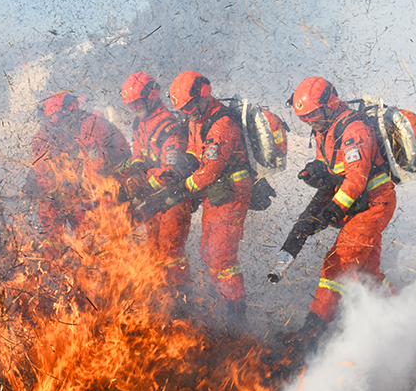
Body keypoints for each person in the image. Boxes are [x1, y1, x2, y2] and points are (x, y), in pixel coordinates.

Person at [270, 76, 398, 351]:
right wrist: (315, 170)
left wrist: (331, 211)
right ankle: (402, 317)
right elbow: (330, 164)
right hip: (357, 204)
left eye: (313, 115)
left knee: (336, 263)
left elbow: (355, 180)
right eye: (304, 118)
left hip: (373, 204)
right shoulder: (324, 129)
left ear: (330, 103)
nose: (309, 122)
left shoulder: (354, 130)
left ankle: (311, 333)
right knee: (368, 272)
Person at [168, 71, 253, 323]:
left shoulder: (222, 124)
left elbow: (211, 169)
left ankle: (237, 316)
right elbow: (196, 154)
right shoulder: (197, 119)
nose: (188, 112)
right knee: (209, 251)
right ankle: (225, 302)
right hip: (216, 194)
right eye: (183, 109)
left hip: (232, 193)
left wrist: (185, 187)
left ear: (203, 95)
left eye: (190, 106)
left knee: (221, 255)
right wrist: (177, 173)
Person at [120, 72, 195, 290]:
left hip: (173, 199)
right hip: (153, 200)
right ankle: (162, 297)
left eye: (137, 103)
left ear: (151, 96)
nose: (134, 108)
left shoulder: (169, 126)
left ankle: (183, 298)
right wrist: (135, 172)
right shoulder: (139, 123)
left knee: (171, 253)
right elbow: (138, 154)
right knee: (153, 251)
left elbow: (169, 173)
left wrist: (143, 185)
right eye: (131, 105)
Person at [30, 92, 130, 252]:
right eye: (50, 118)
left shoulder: (91, 126)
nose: (54, 122)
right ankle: (54, 264)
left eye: (57, 117)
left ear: (71, 111)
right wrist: (52, 191)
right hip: (84, 188)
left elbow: (97, 166)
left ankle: (95, 259)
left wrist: (74, 188)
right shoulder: (51, 133)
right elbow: (43, 170)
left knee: (92, 230)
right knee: (49, 210)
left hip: (114, 185)